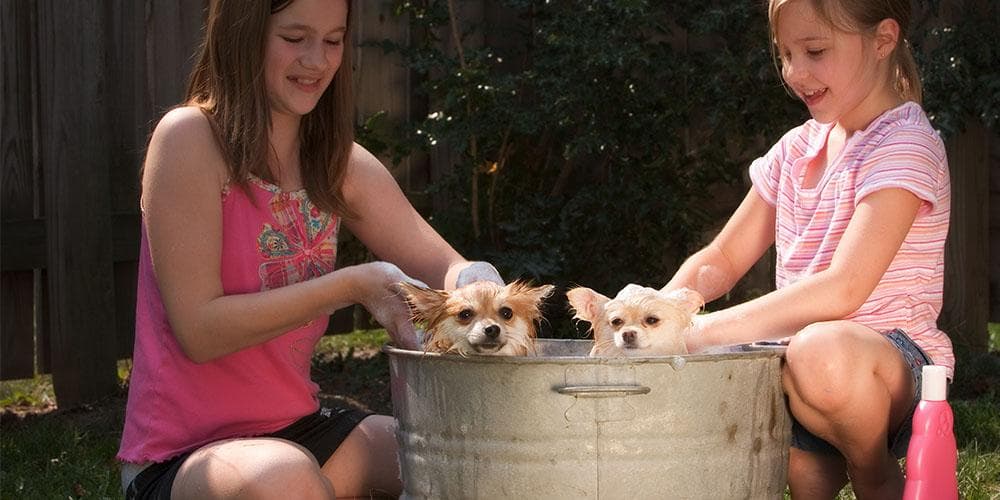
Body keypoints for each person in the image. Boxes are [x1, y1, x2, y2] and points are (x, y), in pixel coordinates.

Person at [116, 0, 502, 498]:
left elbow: (444, 264)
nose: (317, 61)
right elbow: (200, 330)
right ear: (242, 35)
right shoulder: (188, 139)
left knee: (469, 455)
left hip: (301, 430)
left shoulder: (338, 163)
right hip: (184, 456)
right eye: (295, 39)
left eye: (334, 40)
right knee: (285, 477)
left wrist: (478, 283)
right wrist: (350, 286)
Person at [652, 0, 952, 497]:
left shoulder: (904, 143)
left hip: (891, 365)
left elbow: (845, 288)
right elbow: (721, 260)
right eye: (785, 54)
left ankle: (874, 473)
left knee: (820, 350)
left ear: (883, 40)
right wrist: (655, 313)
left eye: (814, 51)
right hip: (797, 369)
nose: (795, 72)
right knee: (802, 469)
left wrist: (698, 332)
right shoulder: (794, 150)